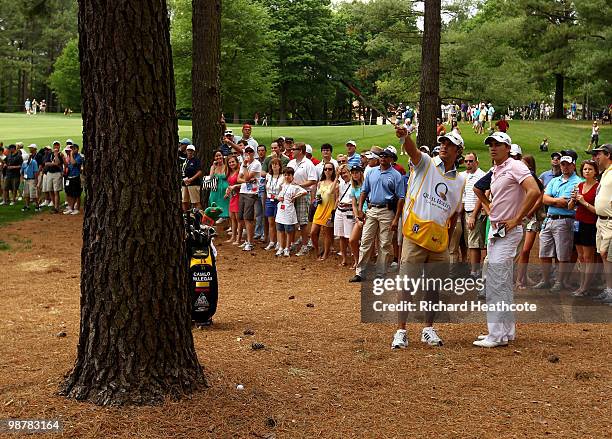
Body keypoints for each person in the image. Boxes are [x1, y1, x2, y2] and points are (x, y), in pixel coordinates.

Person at [391, 131, 465, 349]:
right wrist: (405, 138)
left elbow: (453, 215)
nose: (443, 146)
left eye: (449, 144)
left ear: (457, 151)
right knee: (407, 285)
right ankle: (401, 331)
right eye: (442, 142)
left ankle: (428, 329)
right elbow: (413, 151)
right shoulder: (426, 163)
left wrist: (447, 240)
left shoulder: (460, 181)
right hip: (415, 234)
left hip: (438, 240)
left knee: (434, 287)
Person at [472, 132, 540, 348]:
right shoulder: (497, 169)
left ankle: (496, 335)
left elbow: (534, 191)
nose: (493, 148)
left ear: (508, 148)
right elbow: (479, 190)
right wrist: (490, 208)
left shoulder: (516, 166)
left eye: (498, 145)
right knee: (501, 282)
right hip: (497, 230)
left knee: (496, 282)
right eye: (491, 144)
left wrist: (517, 218)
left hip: (508, 231)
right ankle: (505, 331)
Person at [350, 146, 405, 283]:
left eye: (386, 156)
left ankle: (381, 273)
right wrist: (361, 209)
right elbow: (364, 191)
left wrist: (396, 219)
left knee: (385, 243)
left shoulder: (396, 175)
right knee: (366, 240)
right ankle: (360, 272)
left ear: (392, 159)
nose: (382, 158)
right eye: (381, 156)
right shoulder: (371, 172)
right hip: (372, 209)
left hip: (387, 211)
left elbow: (401, 198)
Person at [534, 153, 583, 291]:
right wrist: (556, 200)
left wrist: (552, 200)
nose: (565, 167)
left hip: (564, 221)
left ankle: (559, 282)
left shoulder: (577, 182)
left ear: (573, 165)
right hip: (549, 220)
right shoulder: (555, 180)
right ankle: (545, 280)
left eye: (568, 164)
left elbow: (567, 204)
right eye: (563, 164)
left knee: (562, 254)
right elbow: (544, 198)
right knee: (544, 252)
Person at [568, 160, 599, 296]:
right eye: (585, 169)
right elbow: (570, 207)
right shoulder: (579, 185)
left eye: (590, 169)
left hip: (590, 224)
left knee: (588, 257)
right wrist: (572, 200)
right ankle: (581, 285)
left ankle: (585, 287)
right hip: (578, 223)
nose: (587, 171)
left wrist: (583, 202)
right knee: (580, 256)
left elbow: (597, 210)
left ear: (595, 172)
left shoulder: (598, 187)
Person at [515, 155, 544, 289]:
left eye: (524, 164)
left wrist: (530, 211)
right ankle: (520, 277)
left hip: (530, 218)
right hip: (520, 217)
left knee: (525, 250)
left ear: (530, 166)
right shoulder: (517, 179)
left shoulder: (534, 180)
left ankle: (521, 279)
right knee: (517, 249)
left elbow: (539, 196)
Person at [287, 143, 317, 256]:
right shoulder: (291, 162)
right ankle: (292, 243)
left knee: (303, 221)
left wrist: (298, 185)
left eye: (294, 149)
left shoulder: (308, 164)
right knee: (291, 219)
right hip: (291, 194)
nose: (291, 151)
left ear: (300, 151)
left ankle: (305, 245)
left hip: (303, 194)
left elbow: (313, 180)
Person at [591, 144, 612, 303]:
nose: (595, 157)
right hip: (602, 221)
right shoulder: (605, 173)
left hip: (611, 222)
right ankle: (609, 290)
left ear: (608, 155)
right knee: (604, 256)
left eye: (598, 154)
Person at [461, 152, 487, 279]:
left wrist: (473, 215)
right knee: (470, 242)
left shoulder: (481, 175)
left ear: (477, 162)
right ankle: (474, 269)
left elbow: (481, 198)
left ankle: (474, 272)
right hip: (467, 212)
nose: (468, 163)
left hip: (474, 213)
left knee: (474, 243)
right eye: (466, 161)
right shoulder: (465, 176)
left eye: (471, 161)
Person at [275, 167, 308, 257]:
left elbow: (304, 192)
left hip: (289, 211)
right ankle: (281, 247)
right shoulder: (282, 185)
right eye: (285, 175)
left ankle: (287, 248)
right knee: (281, 230)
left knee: (288, 231)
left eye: (289, 175)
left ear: (292, 176)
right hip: (281, 211)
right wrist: (278, 198)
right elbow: (276, 196)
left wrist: (295, 197)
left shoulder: (295, 186)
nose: (287, 177)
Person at [311, 163, 338, 260]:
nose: (327, 171)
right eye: (325, 169)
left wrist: (333, 212)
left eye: (330, 169)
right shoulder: (320, 183)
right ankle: (317, 250)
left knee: (326, 233)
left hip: (329, 210)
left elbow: (334, 196)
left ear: (333, 170)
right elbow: (318, 195)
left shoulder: (336, 184)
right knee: (313, 232)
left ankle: (326, 253)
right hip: (319, 209)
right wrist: (317, 199)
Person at [334, 164, 354, 266]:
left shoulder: (354, 183)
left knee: (350, 237)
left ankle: (356, 259)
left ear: (350, 172)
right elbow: (331, 191)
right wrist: (337, 176)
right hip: (339, 210)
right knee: (341, 236)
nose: (343, 175)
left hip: (349, 211)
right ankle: (344, 259)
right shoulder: (340, 182)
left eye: (345, 172)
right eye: (342, 173)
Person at [264, 158, 284, 251]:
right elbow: (266, 187)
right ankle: (272, 241)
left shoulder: (283, 177)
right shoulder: (268, 175)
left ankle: (279, 242)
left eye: (276, 164)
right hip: (269, 200)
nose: (275, 166)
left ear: (280, 166)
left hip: (278, 200)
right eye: (273, 164)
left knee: (278, 222)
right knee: (270, 222)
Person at [349, 165, 365, 269]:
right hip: (359, 216)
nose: (355, 175)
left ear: (361, 173)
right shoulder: (354, 188)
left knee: (367, 240)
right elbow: (354, 205)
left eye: (357, 172)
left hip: (368, 214)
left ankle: (367, 262)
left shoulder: (366, 185)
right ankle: (357, 260)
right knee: (353, 240)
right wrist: (356, 217)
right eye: (353, 173)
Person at [208, 150, 230, 222]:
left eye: (220, 155)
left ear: (222, 156)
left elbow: (227, 175)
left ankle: (225, 216)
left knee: (225, 201)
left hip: (225, 187)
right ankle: (217, 216)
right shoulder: (213, 167)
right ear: (214, 158)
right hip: (215, 187)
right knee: (214, 200)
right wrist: (214, 167)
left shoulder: (226, 166)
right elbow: (210, 177)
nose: (218, 157)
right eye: (216, 156)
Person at [224, 155, 241, 244]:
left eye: (233, 162)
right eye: (229, 162)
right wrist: (227, 192)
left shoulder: (239, 172)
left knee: (238, 218)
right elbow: (229, 184)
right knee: (232, 218)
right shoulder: (229, 172)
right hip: (232, 196)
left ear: (237, 162)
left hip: (238, 196)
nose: (231, 164)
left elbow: (244, 184)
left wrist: (235, 187)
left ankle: (239, 238)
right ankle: (233, 236)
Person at [63, 143, 84, 215]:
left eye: (73, 149)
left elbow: (74, 163)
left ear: (77, 149)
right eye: (71, 149)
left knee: (77, 193)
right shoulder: (71, 156)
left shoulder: (78, 157)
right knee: (70, 193)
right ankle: (71, 207)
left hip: (76, 177)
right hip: (70, 177)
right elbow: (68, 165)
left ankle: (77, 208)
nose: (72, 150)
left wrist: (71, 155)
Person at [43, 143, 64, 213]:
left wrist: (56, 155)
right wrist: (53, 164)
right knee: (50, 190)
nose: (56, 147)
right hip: (49, 173)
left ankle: (56, 207)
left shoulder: (60, 154)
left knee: (56, 191)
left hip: (57, 173)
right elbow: (46, 163)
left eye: (57, 145)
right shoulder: (49, 154)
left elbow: (58, 162)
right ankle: (54, 206)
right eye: (55, 145)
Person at [20, 144, 39, 211]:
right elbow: (22, 171)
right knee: (26, 194)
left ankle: (37, 206)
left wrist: (36, 180)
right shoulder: (24, 163)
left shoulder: (34, 162)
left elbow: (36, 172)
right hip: (26, 180)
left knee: (33, 194)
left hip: (32, 180)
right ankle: (27, 206)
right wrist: (22, 179)